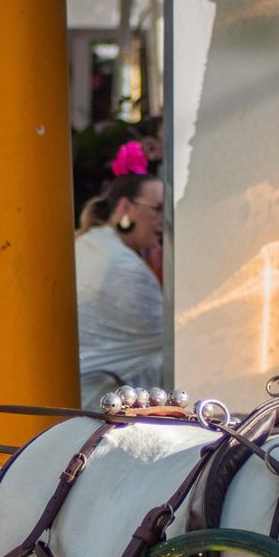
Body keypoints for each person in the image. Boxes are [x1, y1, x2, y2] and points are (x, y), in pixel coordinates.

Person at [74, 173, 165, 409]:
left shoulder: (91, 244)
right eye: (158, 208)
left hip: (79, 398)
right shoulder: (122, 266)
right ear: (125, 207)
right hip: (98, 404)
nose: (164, 220)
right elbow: (171, 342)